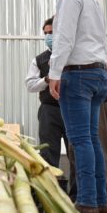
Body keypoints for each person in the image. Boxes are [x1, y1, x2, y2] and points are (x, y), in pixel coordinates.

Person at [48, 0, 107, 213]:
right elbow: (103, 39)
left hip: (79, 73)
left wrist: (54, 72)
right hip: (99, 72)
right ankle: (100, 202)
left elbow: (64, 36)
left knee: (81, 140)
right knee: (92, 139)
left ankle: (86, 202)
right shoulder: (94, 1)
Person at [25, 16, 76, 200]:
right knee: (48, 152)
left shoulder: (73, 54)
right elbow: (30, 85)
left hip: (72, 109)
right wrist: (46, 80)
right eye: (46, 33)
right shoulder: (39, 60)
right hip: (49, 110)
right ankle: (49, 196)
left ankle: (77, 196)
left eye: (51, 32)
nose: (48, 36)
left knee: (76, 152)